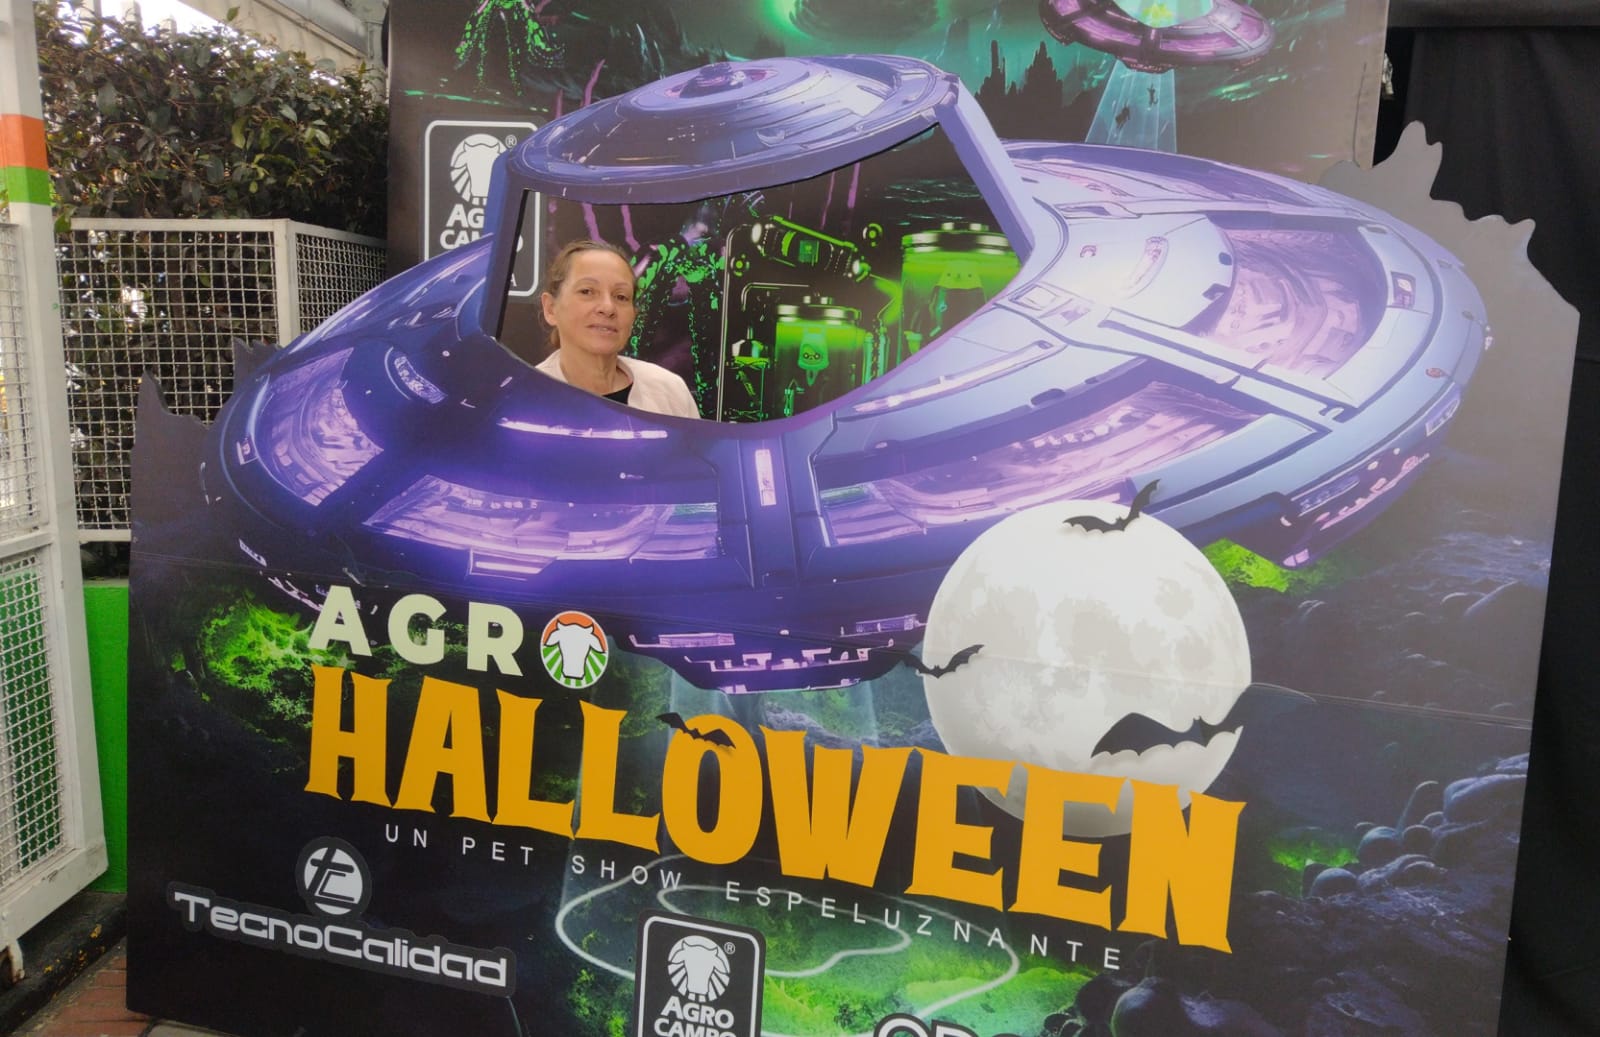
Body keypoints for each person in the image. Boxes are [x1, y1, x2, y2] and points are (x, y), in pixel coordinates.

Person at [534, 239, 700, 418]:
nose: (608, 308)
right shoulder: (524, 397)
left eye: (621, 297)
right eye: (587, 291)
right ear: (550, 308)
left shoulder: (669, 392)